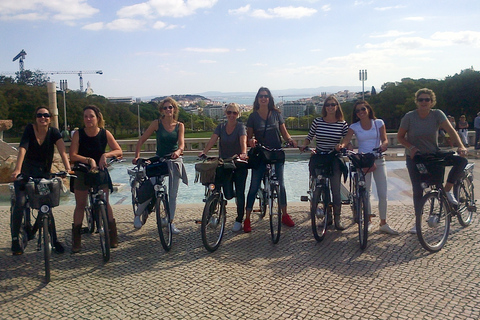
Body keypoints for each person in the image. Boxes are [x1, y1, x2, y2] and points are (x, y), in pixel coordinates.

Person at [397, 88, 468, 234]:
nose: (424, 102)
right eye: (421, 99)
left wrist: (461, 146)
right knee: (418, 190)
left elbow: (451, 130)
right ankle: (418, 223)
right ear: (417, 101)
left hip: (433, 155)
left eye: (427, 99)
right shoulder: (409, 117)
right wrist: (411, 147)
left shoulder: (437, 114)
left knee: (460, 162)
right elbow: (400, 137)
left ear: (431, 102)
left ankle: (448, 190)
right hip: (415, 158)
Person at [10, 106, 72, 255]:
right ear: (35, 118)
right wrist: (18, 170)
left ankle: (53, 239)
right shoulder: (29, 130)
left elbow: (63, 150)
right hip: (25, 174)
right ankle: (14, 240)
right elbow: (23, 148)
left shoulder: (54, 132)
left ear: (50, 118)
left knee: (46, 204)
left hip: (43, 173)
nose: (42, 118)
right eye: (39, 115)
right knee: (20, 203)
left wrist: (68, 168)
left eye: (46, 115)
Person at [339, 101, 398, 235]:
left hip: (378, 159)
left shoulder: (378, 123)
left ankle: (383, 222)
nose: (361, 112)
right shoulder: (354, 126)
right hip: (364, 161)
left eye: (363, 109)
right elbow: (346, 139)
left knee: (383, 193)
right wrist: (342, 146)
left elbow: (385, 139)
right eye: (358, 110)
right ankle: (369, 220)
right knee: (366, 192)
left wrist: (383, 145)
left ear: (368, 109)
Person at [243, 87, 297, 233]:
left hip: (276, 153)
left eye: (266, 96)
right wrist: (252, 140)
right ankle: (247, 219)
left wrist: (290, 140)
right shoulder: (253, 117)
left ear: (269, 98)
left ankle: (284, 214)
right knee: (254, 186)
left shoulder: (276, 114)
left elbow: (284, 133)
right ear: (257, 98)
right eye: (261, 96)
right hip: (261, 154)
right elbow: (249, 137)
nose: (263, 98)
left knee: (281, 184)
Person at [70, 105, 123, 253]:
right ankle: (76, 239)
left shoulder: (105, 133)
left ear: (97, 118)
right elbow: (72, 155)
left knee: (105, 202)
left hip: (99, 171)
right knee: (80, 204)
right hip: (82, 171)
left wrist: (105, 155)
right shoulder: (78, 134)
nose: (88, 119)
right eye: (86, 116)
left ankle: (113, 235)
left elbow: (119, 150)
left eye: (91, 116)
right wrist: (88, 160)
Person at [133, 97, 188, 234]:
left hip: (174, 161)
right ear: (161, 110)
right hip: (159, 160)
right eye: (165, 108)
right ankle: (138, 213)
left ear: (174, 109)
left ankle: (170, 222)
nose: (168, 110)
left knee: (173, 194)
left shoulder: (180, 125)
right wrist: (137, 156)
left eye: (171, 107)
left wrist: (178, 151)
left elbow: (181, 144)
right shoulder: (157, 123)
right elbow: (141, 140)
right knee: (150, 189)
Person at [299, 95, 349, 230]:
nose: (330, 107)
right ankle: (328, 217)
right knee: (319, 188)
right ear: (324, 107)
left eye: (333, 105)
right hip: (320, 156)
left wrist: (342, 146)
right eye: (328, 105)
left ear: (337, 106)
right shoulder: (317, 122)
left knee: (335, 189)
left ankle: (338, 218)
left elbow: (347, 139)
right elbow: (309, 137)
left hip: (334, 157)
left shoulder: (342, 124)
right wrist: (304, 145)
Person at [200, 103, 248, 232]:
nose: (232, 115)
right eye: (229, 112)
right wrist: (204, 152)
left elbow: (243, 141)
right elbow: (212, 140)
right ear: (226, 113)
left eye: (234, 113)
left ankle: (239, 219)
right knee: (222, 190)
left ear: (238, 114)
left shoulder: (240, 127)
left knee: (239, 192)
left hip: (238, 163)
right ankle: (210, 213)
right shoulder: (221, 127)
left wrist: (243, 153)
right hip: (224, 163)